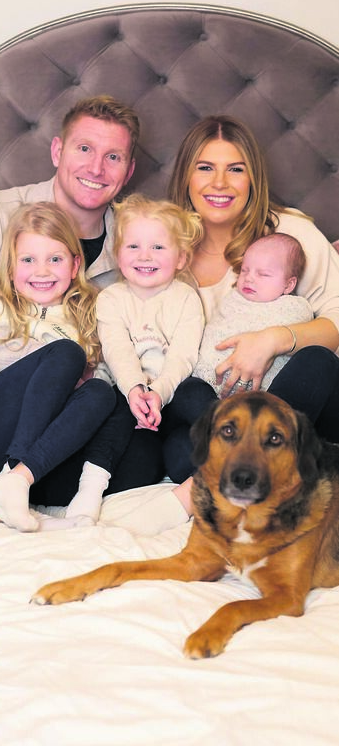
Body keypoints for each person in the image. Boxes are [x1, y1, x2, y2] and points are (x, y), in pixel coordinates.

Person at [0, 95, 170, 502]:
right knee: (67, 357)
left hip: (66, 415)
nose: (96, 168)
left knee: (143, 459)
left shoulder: (139, 247)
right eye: (84, 149)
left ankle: (15, 483)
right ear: (57, 151)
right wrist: (54, 369)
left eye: (113, 157)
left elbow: (149, 337)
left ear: (129, 170)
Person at [167, 114, 339, 454]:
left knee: (317, 361)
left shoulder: (290, 234)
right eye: (205, 168)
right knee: (179, 443)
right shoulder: (160, 249)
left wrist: (272, 340)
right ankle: (243, 457)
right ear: (185, 175)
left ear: (253, 178)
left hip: (295, 399)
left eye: (235, 169)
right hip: (214, 404)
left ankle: (259, 455)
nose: (219, 183)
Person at [0, 202, 116, 531]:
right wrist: (55, 362)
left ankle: (17, 480)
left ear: (75, 264)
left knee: (101, 392)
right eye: (28, 260)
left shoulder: (91, 313)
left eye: (55, 259)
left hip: (40, 441)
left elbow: (105, 371)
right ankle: (10, 476)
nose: (42, 271)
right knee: (66, 354)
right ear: (10, 267)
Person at [88, 193, 216, 534]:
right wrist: (136, 391)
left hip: (174, 398)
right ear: (118, 254)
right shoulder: (111, 299)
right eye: (133, 247)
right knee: (154, 466)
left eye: (158, 247)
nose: (145, 256)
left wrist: (158, 392)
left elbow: (183, 355)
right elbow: (117, 351)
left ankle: (236, 450)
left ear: (181, 257)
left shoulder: (185, 298)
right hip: (132, 406)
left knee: (197, 394)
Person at [194, 233, 313, 395]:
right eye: (244, 270)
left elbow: (304, 334)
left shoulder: (293, 307)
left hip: (258, 389)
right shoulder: (233, 298)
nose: (249, 278)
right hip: (206, 378)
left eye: (263, 274)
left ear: (288, 285)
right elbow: (215, 329)